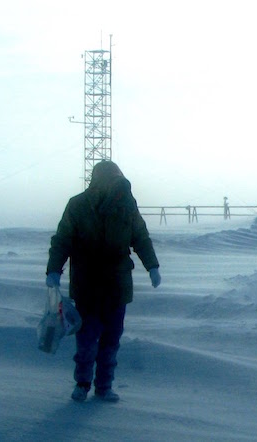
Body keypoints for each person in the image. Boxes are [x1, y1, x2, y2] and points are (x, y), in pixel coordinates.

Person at [46, 160, 161, 403]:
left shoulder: (127, 206)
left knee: (111, 340)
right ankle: (82, 383)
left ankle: (104, 386)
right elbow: (63, 239)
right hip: (87, 284)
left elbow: (140, 237)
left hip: (117, 286)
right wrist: (54, 269)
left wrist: (152, 266)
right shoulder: (78, 205)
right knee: (86, 340)